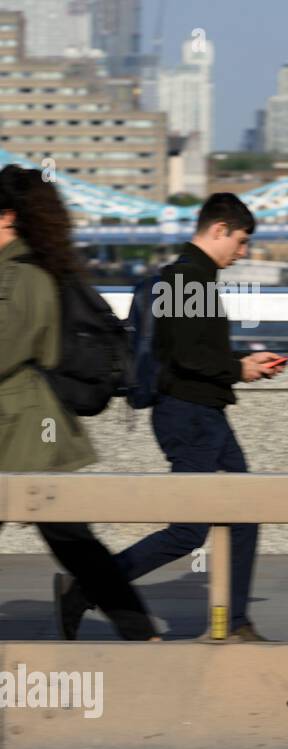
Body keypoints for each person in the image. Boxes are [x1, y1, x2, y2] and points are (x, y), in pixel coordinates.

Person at [58, 193, 286, 641]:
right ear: (218, 229)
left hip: (205, 415)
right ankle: (89, 587)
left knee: (245, 511)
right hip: (188, 417)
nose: (243, 254)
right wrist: (237, 367)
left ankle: (236, 622)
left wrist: (243, 363)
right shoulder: (187, 281)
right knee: (188, 531)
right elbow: (186, 357)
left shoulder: (192, 278)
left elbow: (195, 353)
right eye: (240, 242)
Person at [0, 165, 157, 640]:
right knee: (74, 541)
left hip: (22, 433)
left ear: (7, 217)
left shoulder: (19, 276)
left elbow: (6, 349)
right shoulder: (30, 268)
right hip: (30, 432)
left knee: (74, 541)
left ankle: (139, 629)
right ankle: (138, 629)